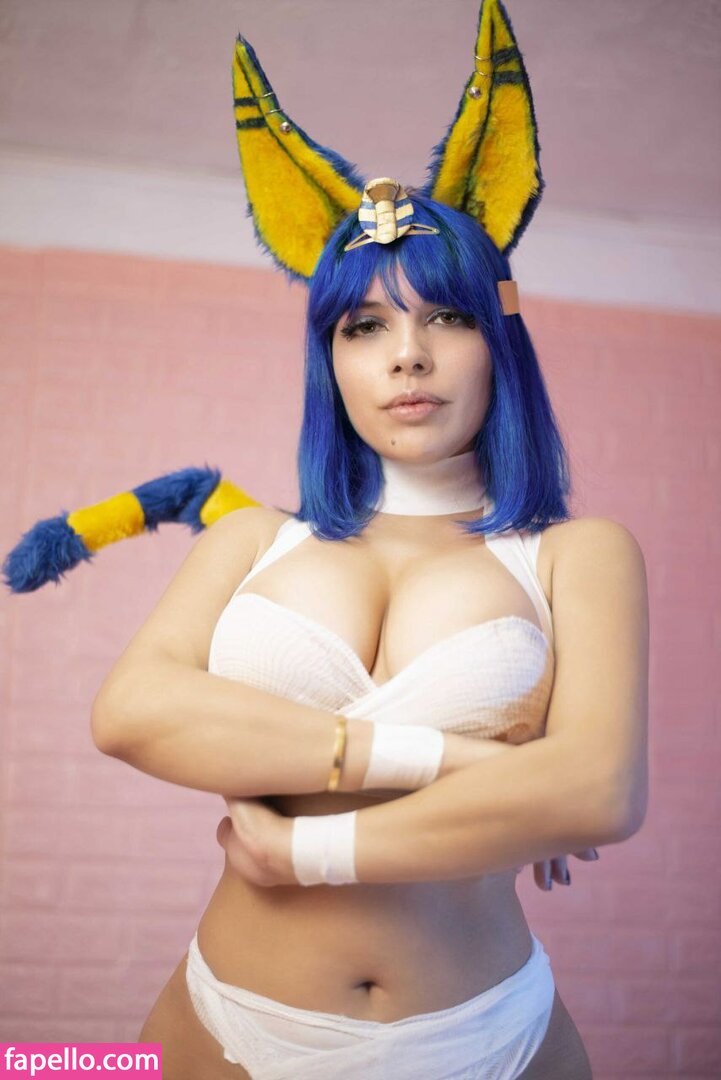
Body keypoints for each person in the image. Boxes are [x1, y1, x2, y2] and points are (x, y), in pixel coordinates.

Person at [89, 5, 649, 1078]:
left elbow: (595, 793)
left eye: (447, 317)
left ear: (498, 341)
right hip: (219, 1021)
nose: (407, 357)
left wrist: (305, 848)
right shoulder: (250, 539)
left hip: (490, 1036)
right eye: (366, 326)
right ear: (332, 360)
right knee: (34, 1066)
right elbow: (131, 714)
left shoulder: (576, 554)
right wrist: (466, 763)